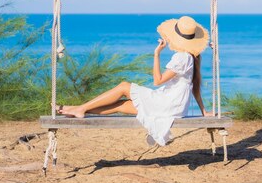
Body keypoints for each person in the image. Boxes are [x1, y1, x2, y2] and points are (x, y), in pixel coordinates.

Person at [58, 16, 212, 146]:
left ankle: (80, 108)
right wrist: (204, 111)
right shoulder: (191, 57)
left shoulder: (182, 57)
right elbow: (195, 87)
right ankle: (78, 109)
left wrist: (157, 54)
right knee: (121, 105)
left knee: (124, 86)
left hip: (168, 104)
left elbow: (157, 81)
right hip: (174, 105)